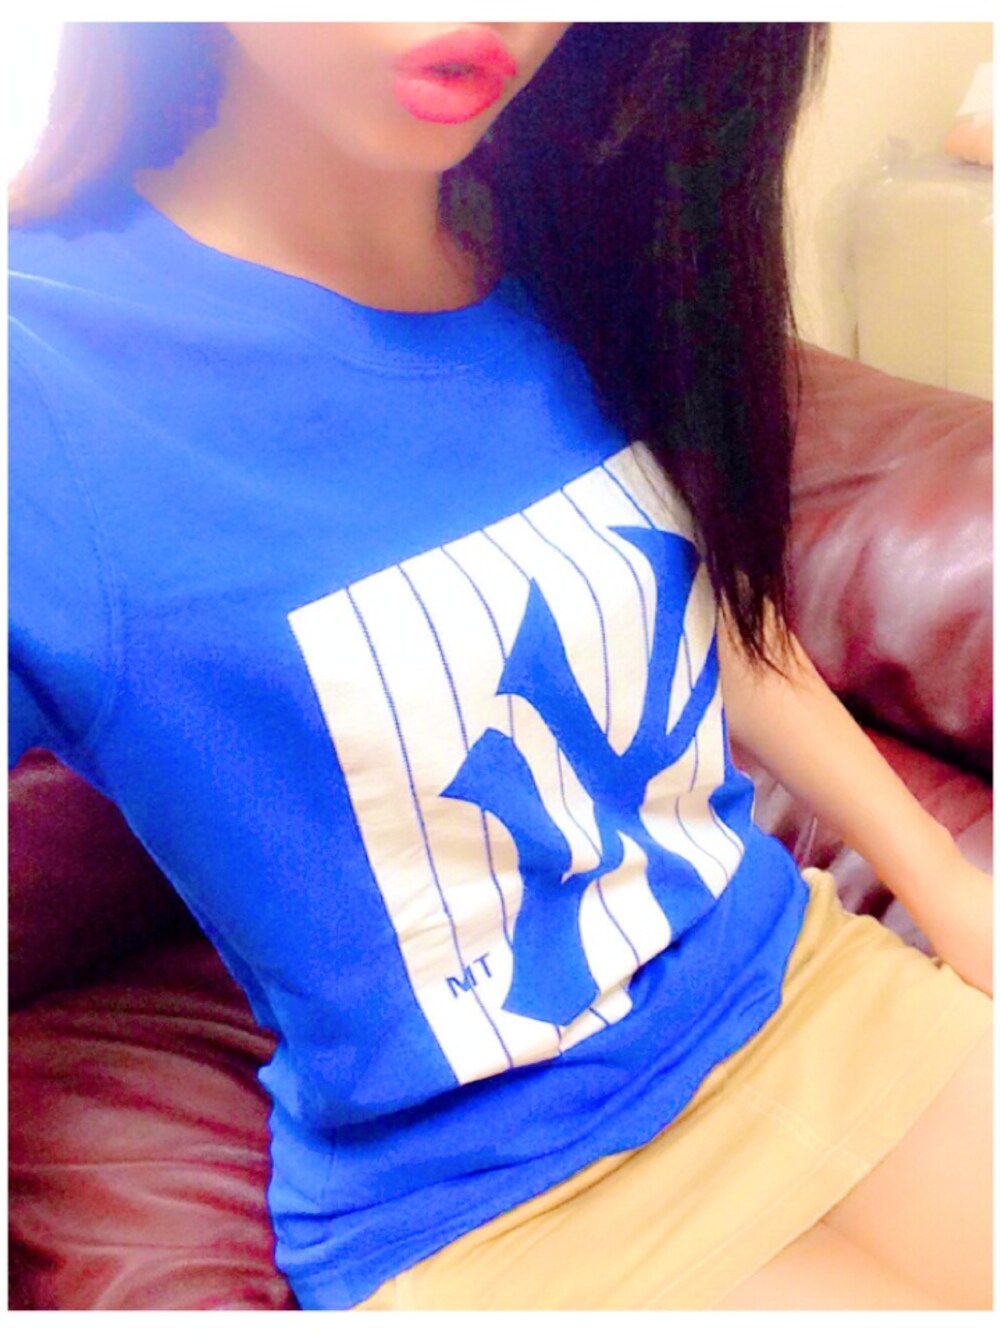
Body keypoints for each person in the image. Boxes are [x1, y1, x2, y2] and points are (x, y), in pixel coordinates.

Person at [8, 21, 992, 1312]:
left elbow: (709, 603)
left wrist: (951, 890)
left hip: (800, 985)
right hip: (496, 1198)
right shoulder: (43, 379)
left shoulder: (572, 232)